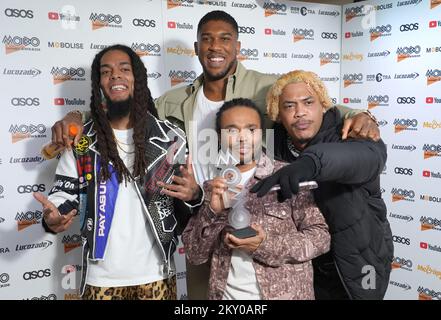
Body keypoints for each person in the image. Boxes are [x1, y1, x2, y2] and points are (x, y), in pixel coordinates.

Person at [48, 10, 380, 299]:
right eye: (206, 39)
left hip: (257, 218)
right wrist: (77, 119)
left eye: (225, 39)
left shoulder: (265, 86)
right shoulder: (174, 101)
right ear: (196, 48)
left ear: (238, 46)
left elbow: (308, 100)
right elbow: (123, 113)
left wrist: (359, 114)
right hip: (201, 219)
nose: (215, 47)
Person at [33, 44, 203, 300]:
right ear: (99, 83)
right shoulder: (82, 141)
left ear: (138, 79)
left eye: (125, 69)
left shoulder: (170, 139)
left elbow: (188, 206)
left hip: (157, 274)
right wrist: (53, 217)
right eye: (106, 71)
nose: (115, 75)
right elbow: (61, 196)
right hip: (100, 279)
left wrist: (194, 195)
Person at [251, 70, 393, 300]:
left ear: (323, 105)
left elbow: (369, 158)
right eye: (289, 106)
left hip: (358, 262)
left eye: (308, 102)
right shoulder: (271, 145)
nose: (300, 112)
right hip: (300, 266)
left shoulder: (351, 132)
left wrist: (311, 163)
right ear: (278, 114)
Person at [182, 98, 330, 299]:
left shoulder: (286, 176)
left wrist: (264, 245)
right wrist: (212, 212)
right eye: (232, 131)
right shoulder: (213, 186)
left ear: (261, 134)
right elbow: (194, 254)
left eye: (251, 129)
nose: (242, 138)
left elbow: (320, 238)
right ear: (219, 137)